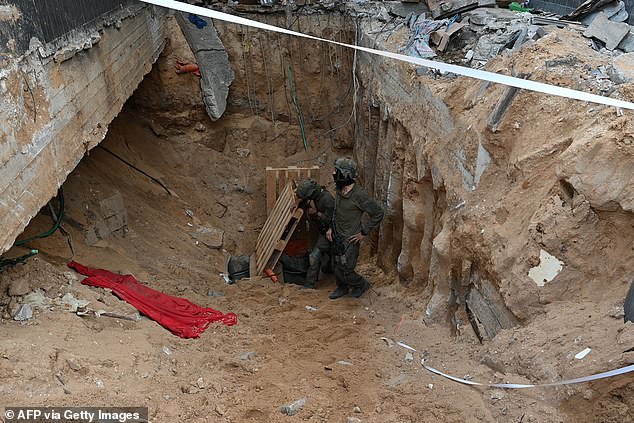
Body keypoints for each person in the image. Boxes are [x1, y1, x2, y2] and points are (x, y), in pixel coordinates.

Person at [326, 158, 384, 299]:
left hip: (350, 239)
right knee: (336, 264)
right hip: (337, 234)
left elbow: (378, 213)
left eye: (336, 170)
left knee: (346, 269)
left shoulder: (359, 195)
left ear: (344, 174)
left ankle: (361, 284)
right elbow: (336, 209)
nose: (333, 173)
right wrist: (331, 228)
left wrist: (363, 233)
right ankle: (342, 287)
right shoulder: (340, 189)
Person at [295, 178, 335, 289]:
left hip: (331, 232)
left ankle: (309, 284)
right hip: (325, 232)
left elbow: (332, 220)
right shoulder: (317, 194)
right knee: (329, 254)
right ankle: (328, 269)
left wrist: (317, 213)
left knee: (314, 256)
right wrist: (297, 202)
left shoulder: (327, 200)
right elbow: (305, 198)